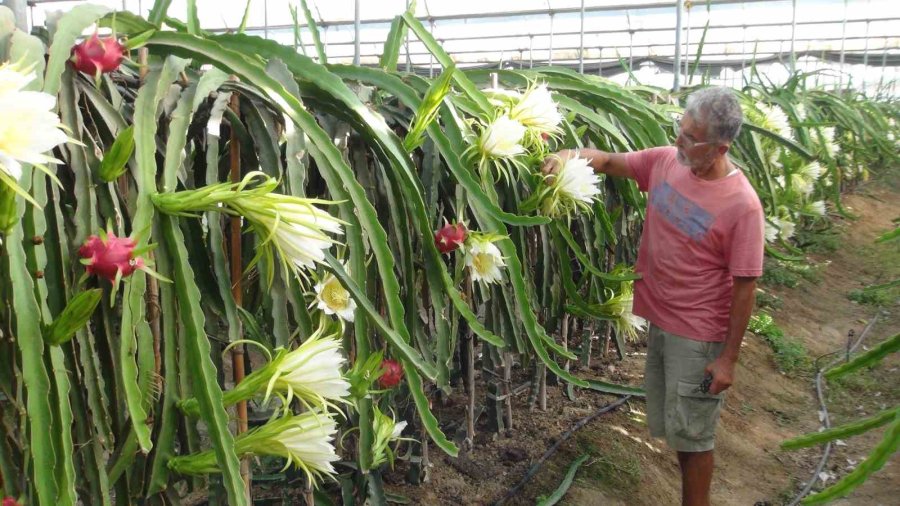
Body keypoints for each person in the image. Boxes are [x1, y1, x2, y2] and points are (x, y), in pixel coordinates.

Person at [542, 87, 764, 506]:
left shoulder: (742, 205)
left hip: (698, 335)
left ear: (720, 148)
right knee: (681, 432)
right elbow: (608, 161)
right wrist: (568, 155)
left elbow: (745, 283)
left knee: (695, 439)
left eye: (690, 138)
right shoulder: (667, 161)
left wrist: (728, 358)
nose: (679, 142)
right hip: (662, 323)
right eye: (680, 130)